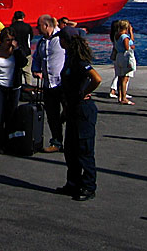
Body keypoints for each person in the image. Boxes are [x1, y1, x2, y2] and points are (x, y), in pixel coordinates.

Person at [55, 29, 102, 201]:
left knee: (84, 150)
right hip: (72, 108)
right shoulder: (70, 59)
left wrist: (84, 93)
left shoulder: (80, 61)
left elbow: (96, 78)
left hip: (83, 109)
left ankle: (89, 186)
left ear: (66, 41)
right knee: (71, 149)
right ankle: (73, 183)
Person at [0, 27, 27, 153]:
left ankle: (8, 142)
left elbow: (23, 63)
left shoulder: (16, 52)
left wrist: (17, 49)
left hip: (13, 88)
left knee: (11, 116)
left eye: (12, 40)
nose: (10, 42)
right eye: (8, 40)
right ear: (2, 40)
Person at [32, 14, 66, 153]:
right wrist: (36, 69)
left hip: (62, 84)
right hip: (48, 84)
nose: (37, 28)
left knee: (69, 113)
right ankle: (56, 141)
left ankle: (72, 143)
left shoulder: (61, 38)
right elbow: (37, 58)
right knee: (52, 115)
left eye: (38, 25)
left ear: (46, 25)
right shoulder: (41, 42)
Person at [113, 20, 136, 106]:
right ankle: (124, 97)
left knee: (120, 77)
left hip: (118, 56)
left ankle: (120, 96)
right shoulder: (125, 37)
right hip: (125, 57)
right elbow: (128, 47)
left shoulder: (116, 35)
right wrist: (131, 33)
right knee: (125, 78)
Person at [9, 11, 34, 86]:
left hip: (15, 52)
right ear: (23, 17)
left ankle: (17, 87)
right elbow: (31, 37)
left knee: (16, 71)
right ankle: (29, 89)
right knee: (27, 72)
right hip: (26, 51)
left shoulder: (12, 27)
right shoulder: (28, 26)